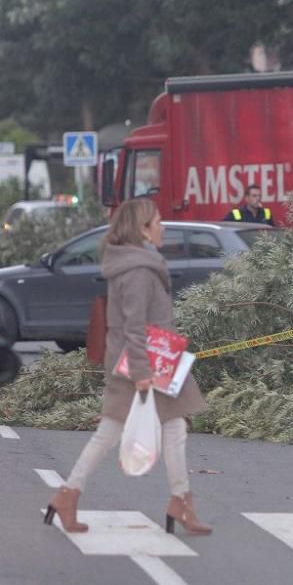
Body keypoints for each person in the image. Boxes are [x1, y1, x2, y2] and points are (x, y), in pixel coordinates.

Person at [44, 198, 211, 535]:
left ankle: (180, 501)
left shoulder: (139, 263)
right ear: (143, 231)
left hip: (152, 358)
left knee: (174, 428)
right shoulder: (137, 269)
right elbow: (133, 326)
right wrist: (141, 373)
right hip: (140, 363)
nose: (163, 227)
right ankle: (68, 495)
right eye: (159, 222)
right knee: (111, 432)